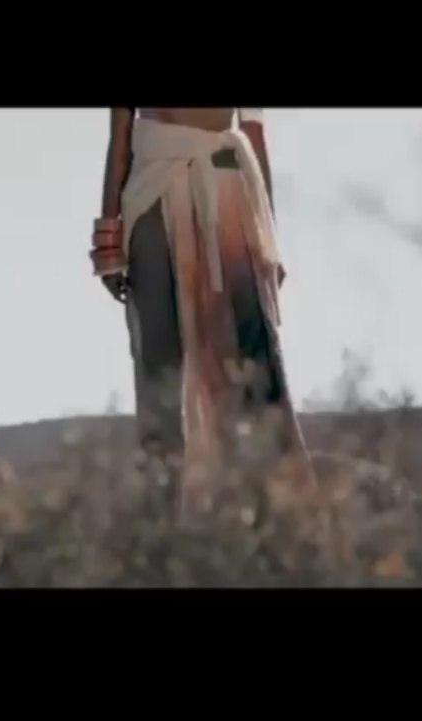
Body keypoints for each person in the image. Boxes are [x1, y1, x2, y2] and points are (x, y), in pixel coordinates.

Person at [91, 108, 314, 502]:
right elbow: (120, 137)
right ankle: (171, 508)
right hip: (165, 192)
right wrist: (109, 240)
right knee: (169, 368)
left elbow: (252, 130)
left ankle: (261, 505)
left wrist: (269, 242)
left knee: (238, 360)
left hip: (215, 190)